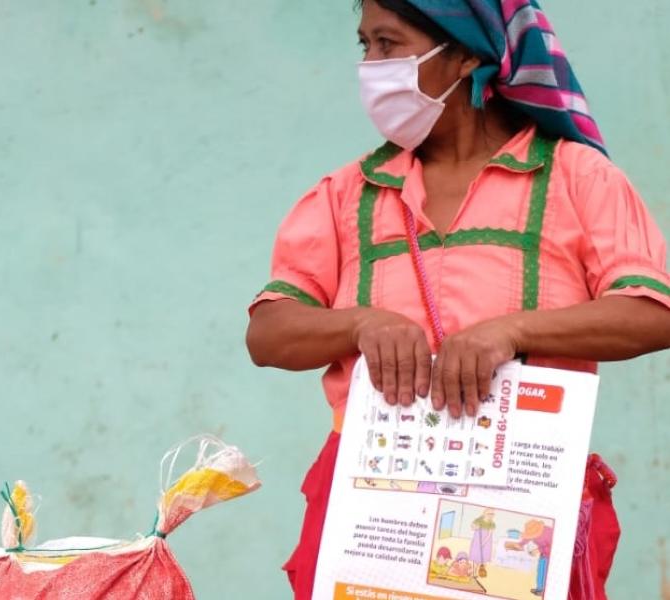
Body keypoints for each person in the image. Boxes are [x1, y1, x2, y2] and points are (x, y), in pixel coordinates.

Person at [245, 1, 670, 599]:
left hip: (523, 498)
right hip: (372, 504)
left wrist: (512, 332)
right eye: (364, 44)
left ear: (467, 55)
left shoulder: (577, 177)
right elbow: (268, 333)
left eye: (389, 44)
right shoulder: (346, 194)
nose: (371, 65)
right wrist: (361, 324)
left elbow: (651, 312)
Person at [469, 508, 496, 577]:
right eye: (489, 513)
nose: (491, 515)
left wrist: (483, 542)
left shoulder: (492, 523)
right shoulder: (478, 520)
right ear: (484, 513)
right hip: (477, 540)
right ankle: (474, 572)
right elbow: (472, 527)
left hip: (486, 543)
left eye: (492, 514)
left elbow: (490, 534)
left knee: (483, 558)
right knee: (476, 557)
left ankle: (481, 572)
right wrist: (476, 527)